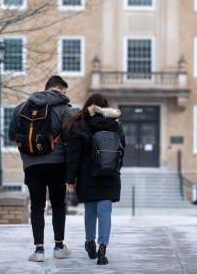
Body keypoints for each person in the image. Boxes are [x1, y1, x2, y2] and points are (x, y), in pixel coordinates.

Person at [8, 75, 73, 262]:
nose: (65, 95)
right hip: (57, 164)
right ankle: (59, 246)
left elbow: (12, 135)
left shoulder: (21, 108)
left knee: (37, 205)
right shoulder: (63, 109)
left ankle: (39, 250)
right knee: (58, 203)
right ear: (59, 89)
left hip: (32, 164)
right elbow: (70, 139)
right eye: (64, 91)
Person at [64, 93, 126, 265]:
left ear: (89, 106)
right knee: (105, 211)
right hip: (110, 175)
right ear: (105, 106)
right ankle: (103, 248)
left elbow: (74, 154)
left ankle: (90, 242)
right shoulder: (115, 125)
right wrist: (115, 168)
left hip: (87, 175)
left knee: (90, 210)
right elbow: (122, 150)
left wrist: (70, 178)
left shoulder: (81, 124)